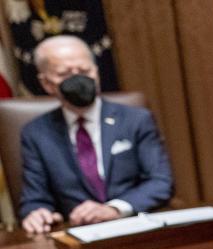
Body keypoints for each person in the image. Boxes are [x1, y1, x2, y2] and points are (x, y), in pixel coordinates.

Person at [19, 35, 173, 235]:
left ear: (96, 72)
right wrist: (37, 213)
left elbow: (160, 182)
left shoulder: (136, 120)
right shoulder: (36, 133)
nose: (78, 79)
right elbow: (35, 198)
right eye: (64, 73)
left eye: (84, 71)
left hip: (136, 227)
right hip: (78, 234)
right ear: (47, 83)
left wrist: (115, 209)